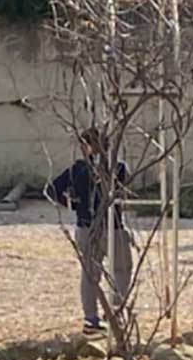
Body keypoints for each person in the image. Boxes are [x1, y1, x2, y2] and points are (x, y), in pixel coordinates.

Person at [47, 128, 132, 336]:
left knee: (89, 274)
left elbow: (51, 189)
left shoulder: (77, 170)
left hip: (86, 225)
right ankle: (116, 311)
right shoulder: (118, 168)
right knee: (122, 269)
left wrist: (72, 205)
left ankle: (90, 318)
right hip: (113, 225)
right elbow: (124, 189)